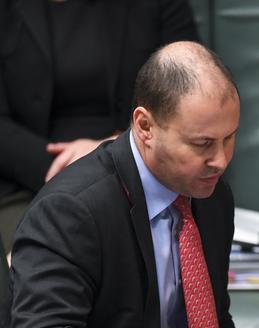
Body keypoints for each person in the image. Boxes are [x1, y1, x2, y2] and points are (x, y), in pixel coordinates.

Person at [0, 41, 250, 328]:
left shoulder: (212, 195)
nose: (220, 159)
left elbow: (210, 315)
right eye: (202, 144)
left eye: (229, 137)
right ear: (145, 126)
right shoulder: (73, 208)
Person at [0, 0, 198, 251]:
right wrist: (64, 167)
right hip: (29, 180)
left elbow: (187, 91)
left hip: (141, 171)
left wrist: (114, 150)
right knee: (36, 262)